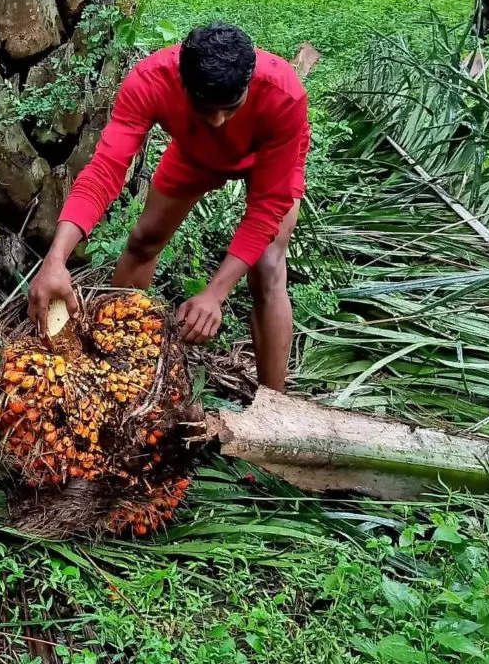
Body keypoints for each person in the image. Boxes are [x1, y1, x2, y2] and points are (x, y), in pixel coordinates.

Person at [28, 23, 310, 392]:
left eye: (230, 108)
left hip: (267, 159)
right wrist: (55, 259)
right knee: (144, 240)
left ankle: (275, 405)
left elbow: (267, 207)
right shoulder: (150, 81)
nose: (218, 121)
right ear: (181, 80)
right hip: (195, 154)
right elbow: (104, 172)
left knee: (268, 265)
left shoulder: (282, 95)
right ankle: (120, 372)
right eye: (204, 108)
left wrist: (214, 295)